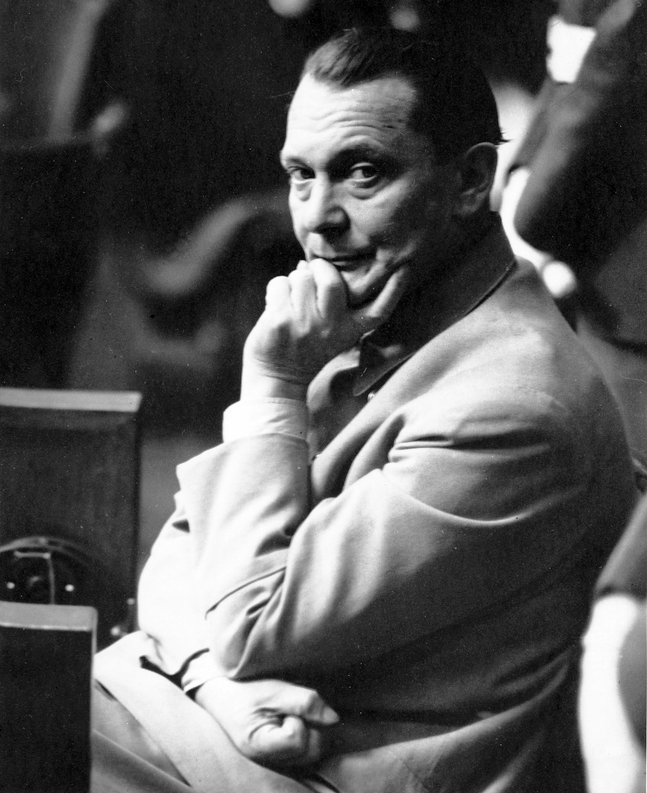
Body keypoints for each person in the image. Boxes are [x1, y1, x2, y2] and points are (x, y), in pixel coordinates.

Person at [91, 27, 637, 793]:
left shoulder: (512, 409)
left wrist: (272, 384)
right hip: (222, 724)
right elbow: (178, 556)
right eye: (299, 175)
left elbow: (245, 621)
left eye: (362, 172)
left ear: (470, 180)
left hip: (314, 772)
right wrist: (215, 684)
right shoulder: (373, 309)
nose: (317, 217)